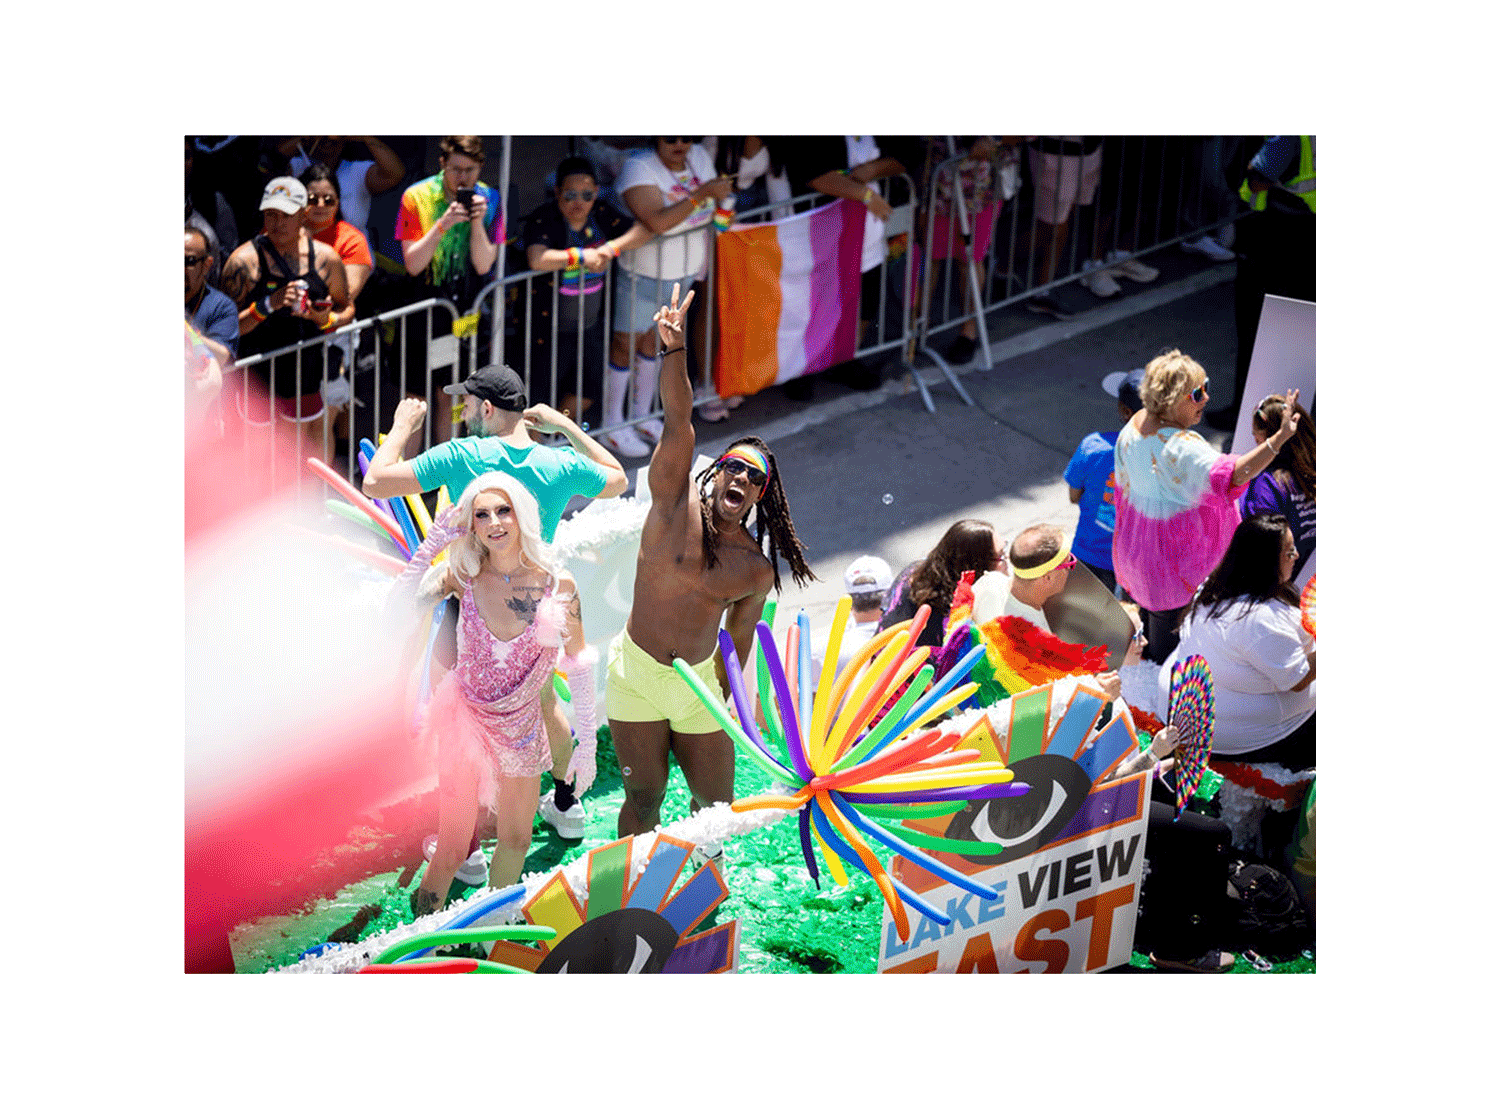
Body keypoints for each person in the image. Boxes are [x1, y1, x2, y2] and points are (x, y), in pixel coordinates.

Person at [364, 363, 627, 841]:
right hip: (531, 609)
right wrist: (566, 427)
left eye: (467, 404)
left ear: (487, 408)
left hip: (469, 610)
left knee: (461, 718)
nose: (463, 412)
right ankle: (567, 805)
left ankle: (464, 846)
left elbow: (375, 482)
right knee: (544, 702)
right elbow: (617, 479)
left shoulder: (463, 454)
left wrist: (402, 426)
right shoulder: (557, 463)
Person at [607, 285, 814, 860]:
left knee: (713, 813)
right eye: (737, 470)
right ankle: (632, 899)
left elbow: (738, 647)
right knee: (643, 800)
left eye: (755, 480)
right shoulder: (672, 503)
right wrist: (673, 350)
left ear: (760, 497)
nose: (743, 482)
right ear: (717, 472)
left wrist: (730, 705)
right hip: (636, 675)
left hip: (699, 688)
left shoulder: (755, 570)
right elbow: (679, 422)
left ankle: (705, 907)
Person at [394, 473, 597, 913]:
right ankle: (418, 946)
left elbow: (578, 662)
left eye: (503, 510)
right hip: (464, 721)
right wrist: (432, 544)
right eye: (481, 514)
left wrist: (589, 745)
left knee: (517, 840)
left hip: (522, 727)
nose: (494, 523)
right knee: (450, 848)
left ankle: (489, 935)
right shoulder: (461, 576)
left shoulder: (556, 585)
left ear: (521, 515)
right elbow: (400, 600)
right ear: (472, 524)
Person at [1112, 349, 1302, 664]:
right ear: (1172, 400)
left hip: (1136, 557)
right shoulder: (1183, 448)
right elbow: (1234, 474)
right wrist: (1278, 440)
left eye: (1206, 387)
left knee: (1140, 638)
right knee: (1168, 658)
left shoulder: (1135, 423)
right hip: (1173, 573)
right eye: (1197, 393)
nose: (1206, 398)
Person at [1158, 512, 1315, 770]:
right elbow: (1297, 679)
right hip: (1239, 736)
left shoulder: (1215, 586)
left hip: (1193, 710)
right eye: (1288, 552)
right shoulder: (1259, 621)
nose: (1296, 555)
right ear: (1264, 562)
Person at [520, 156, 654, 444]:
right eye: (570, 195)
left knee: (588, 390)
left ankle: (553, 433)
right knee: (538, 395)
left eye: (587, 195)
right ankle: (531, 448)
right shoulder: (544, 218)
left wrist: (610, 249)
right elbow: (537, 258)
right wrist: (581, 256)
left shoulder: (602, 214)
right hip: (548, 328)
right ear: (557, 192)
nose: (578, 202)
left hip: (590, 325)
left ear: (596, 194)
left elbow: (643, 229)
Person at [609, 138, 733, 446]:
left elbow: (717, 208)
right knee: (626, 343)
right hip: (643, 273)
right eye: (670, 137)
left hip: (684, 272)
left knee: (654, 343)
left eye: (686, 137)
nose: (679, 143)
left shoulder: (700, 157)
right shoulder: (638, 168)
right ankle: (613, 422)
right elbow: (658, 221)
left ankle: (642, 416)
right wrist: (701, 194)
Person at [219, 176, 350, 463]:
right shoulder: (244, 262)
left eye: (285, 216)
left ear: (303, 215)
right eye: (270, 215)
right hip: (257, 377)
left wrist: (324, 319)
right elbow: (224, 329)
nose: (276, 223)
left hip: (305, 373)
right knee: (257, 455)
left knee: (300, 453)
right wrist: (267, 305)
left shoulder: (325, 259)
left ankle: (305, 505)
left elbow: (347, 309)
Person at [395, 135, 502, 444]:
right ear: (442, 164)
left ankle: (446, 476)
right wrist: (442, 225)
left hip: (465, 309)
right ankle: (406, 479)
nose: (463, 178)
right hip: (423, 307)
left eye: (470, 169)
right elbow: (413, 263)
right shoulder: (416, 197)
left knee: (453, 394)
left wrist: (478, 223)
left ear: (481, 166)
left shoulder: (490, 199)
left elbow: (484, 265)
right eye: (455, 169)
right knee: (416, 398)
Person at [1063, 367, 1145, 596]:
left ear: (1124, 411)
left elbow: (1073, 495)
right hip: (1138, 562)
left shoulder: (1093, 446)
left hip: (1090, 553)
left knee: (1086, 622)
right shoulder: (1166, 458)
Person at [879, 519, 1004, 651]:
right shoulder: (961, 609)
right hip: (917, 667)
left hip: (882, 658)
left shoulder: (913, 572)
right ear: (978, 564)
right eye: (1000, 556)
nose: (1006, 560)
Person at [279, 135, 406, 252]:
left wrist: (366, 138)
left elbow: (395, 174)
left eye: (329, 200)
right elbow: (273, 162)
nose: (321, 205)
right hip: (300, 253)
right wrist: (306, 137)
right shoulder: (296, 166)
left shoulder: (357, 171)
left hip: (348, 255)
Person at [1240, 392, 1315, 583]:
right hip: (1307, 585)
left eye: (1257, 439)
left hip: (1275, 587)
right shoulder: (1310, 473)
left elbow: (1261, 550)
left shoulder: (1267, 486)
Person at [809, 555, 894, 687]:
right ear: (890, 597)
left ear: (849, 601)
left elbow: (790, 700)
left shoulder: (819, 650)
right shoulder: (908, 644)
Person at [185, 224, 238, 367]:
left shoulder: (222, 306)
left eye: (188, 261)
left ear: (207, 265)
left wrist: (188, 334)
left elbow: (223, 356)